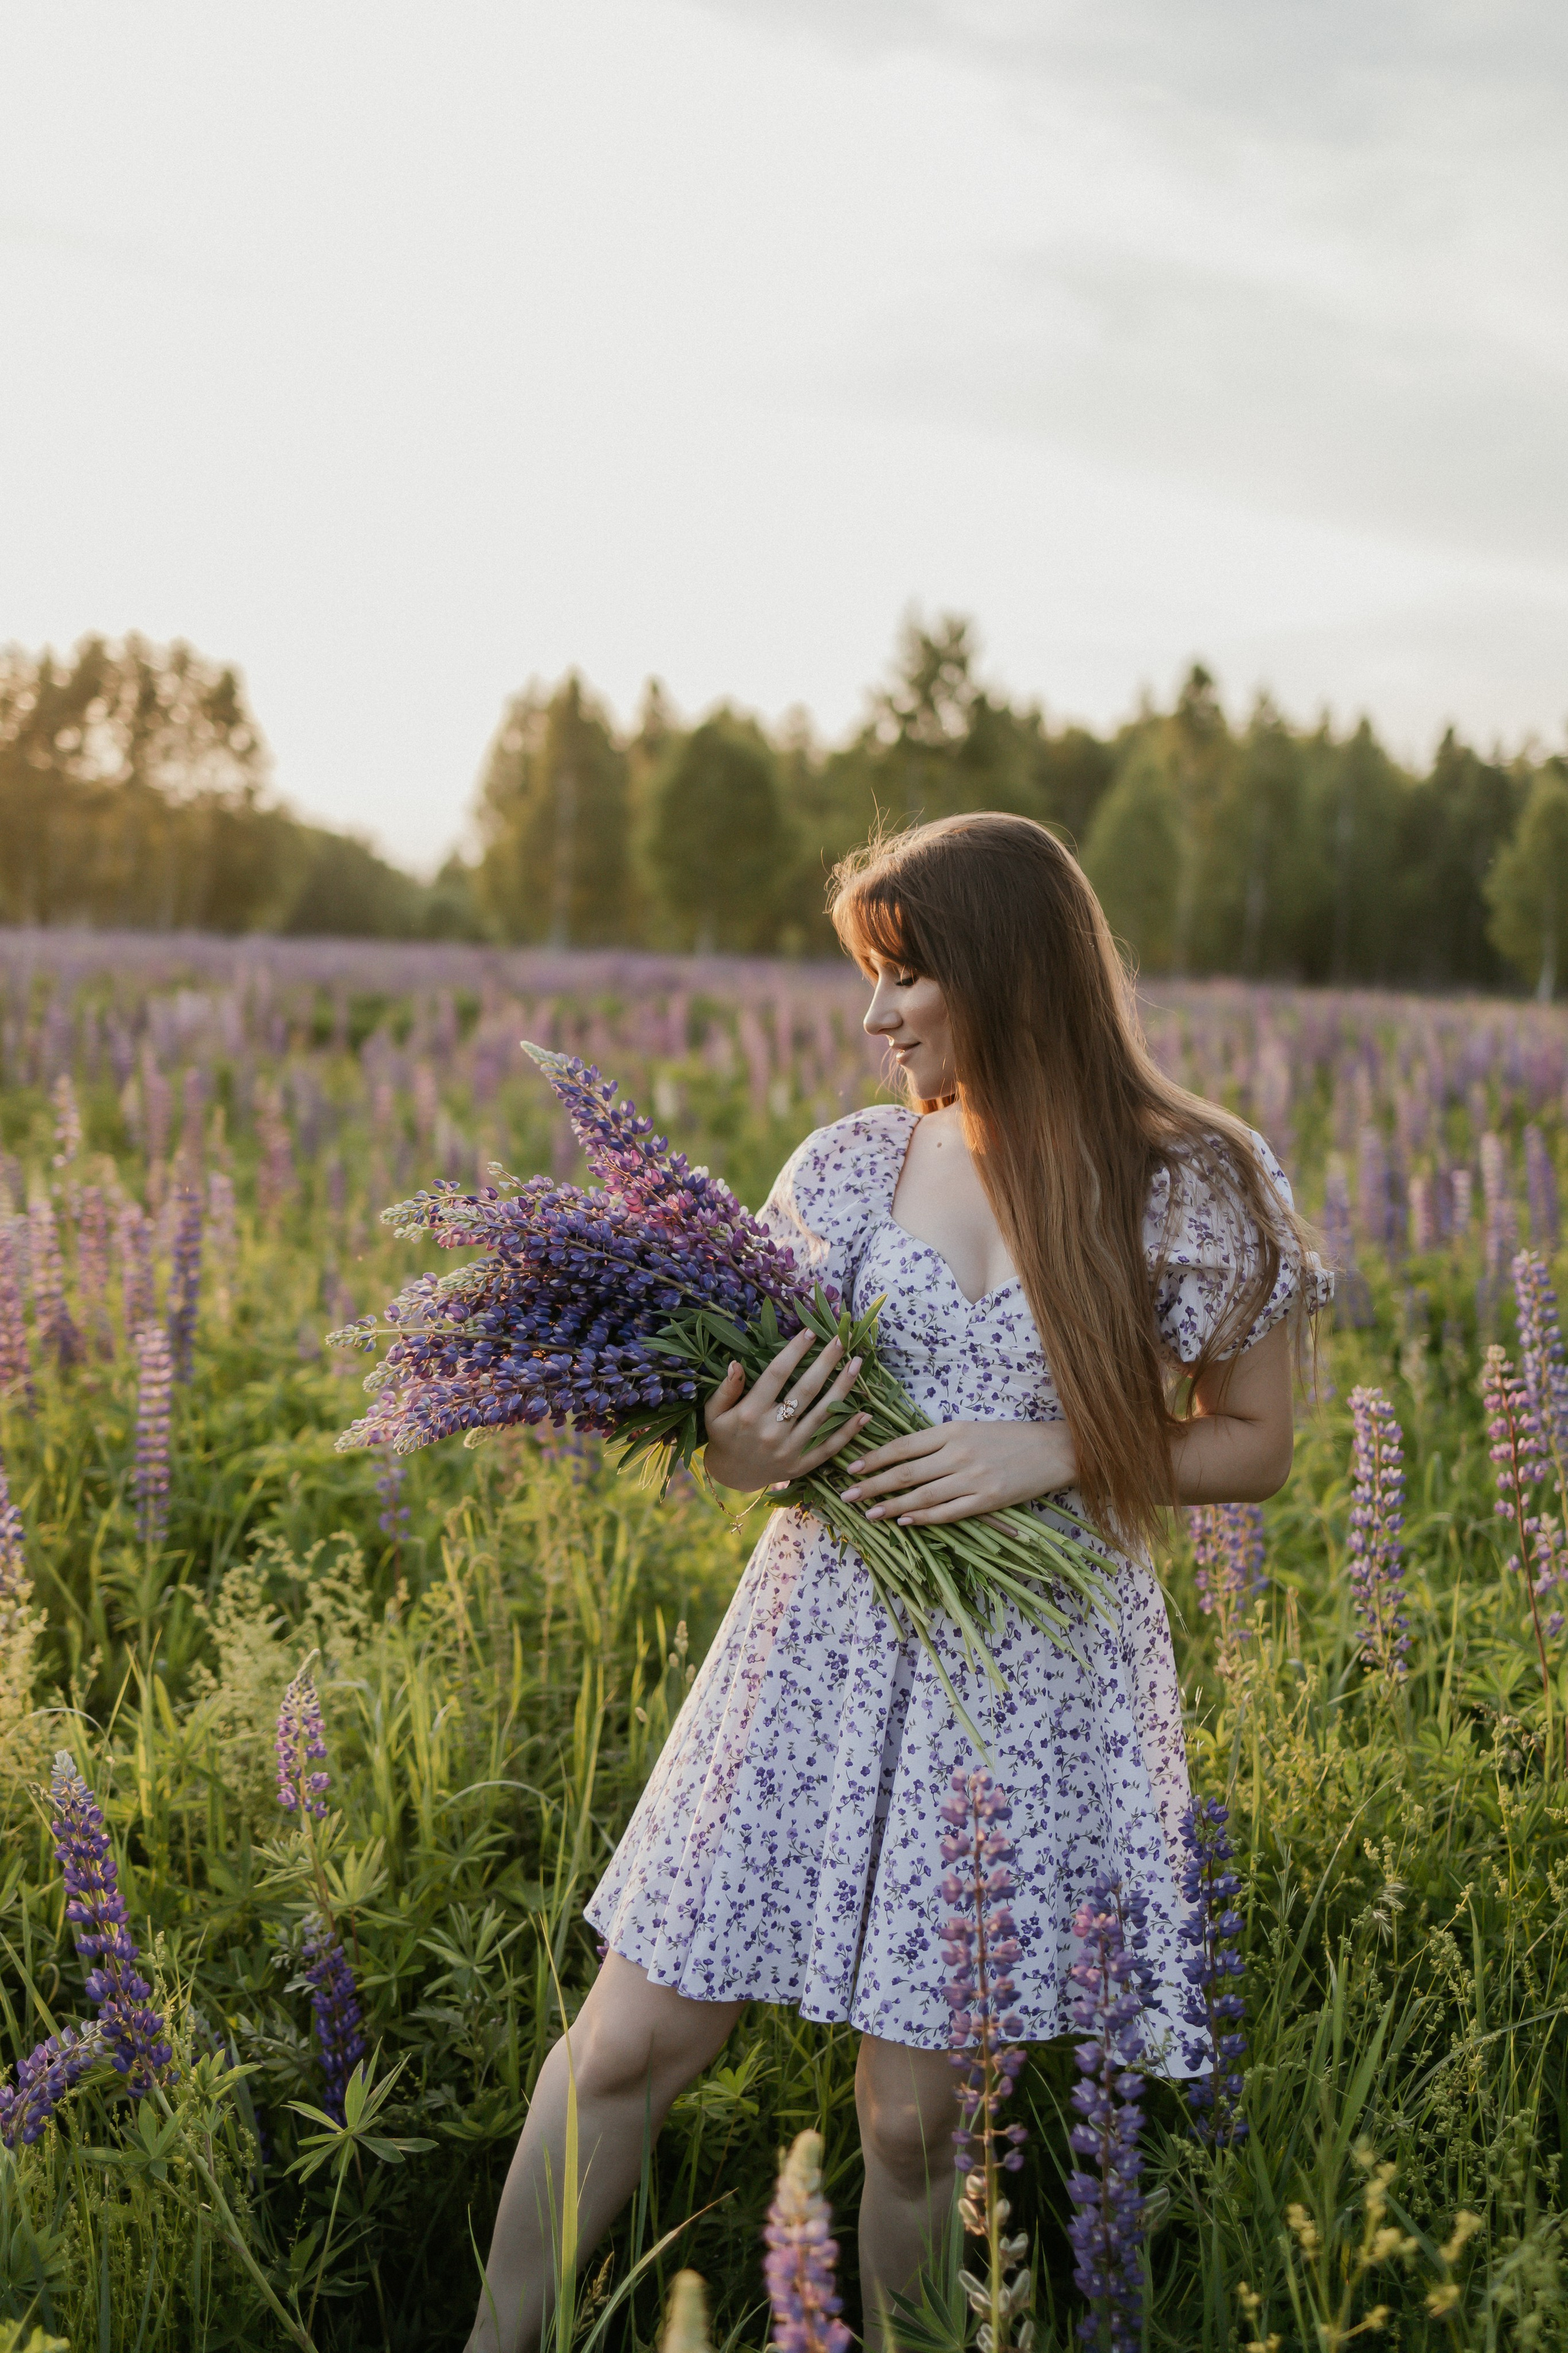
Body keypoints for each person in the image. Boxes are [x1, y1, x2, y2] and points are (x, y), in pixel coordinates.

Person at [465, 812, 1326, 2352]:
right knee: (621, 2051)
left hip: (1026, 1674)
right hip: (815, 1647)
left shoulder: (1195, 1178)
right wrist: (738, 1446)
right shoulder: (848, 1167)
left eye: (903, 980)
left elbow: (1254, 1446)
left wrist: (1054, 1446)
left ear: (1004, 972)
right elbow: (753, 1442)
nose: (874, 1020)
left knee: (917, 2125)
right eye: (868, 981)